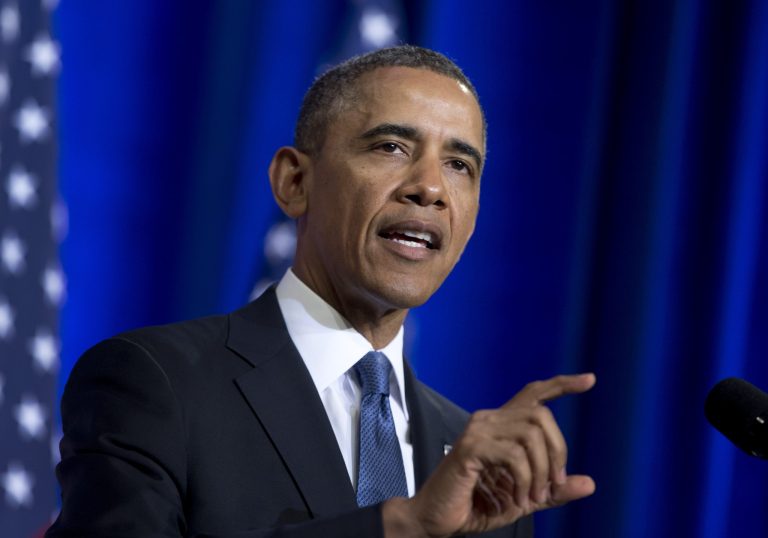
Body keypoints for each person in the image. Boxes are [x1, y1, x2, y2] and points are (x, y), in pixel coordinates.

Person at [46, 45, 595, 538]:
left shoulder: (480, 469)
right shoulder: (155, 383)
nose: (430, 187)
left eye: (459, 165)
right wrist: (398, 527)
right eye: (391, 147)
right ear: (295, 182)